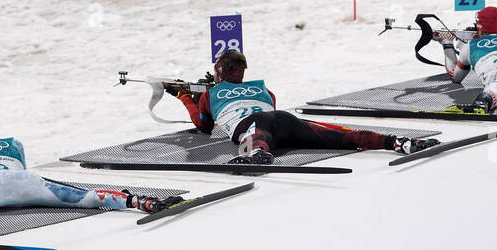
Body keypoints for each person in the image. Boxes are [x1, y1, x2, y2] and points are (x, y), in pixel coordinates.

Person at [168, 49, 439, 165]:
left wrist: (185, 98)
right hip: (282, 119)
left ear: (218, 71)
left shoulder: (211, 93)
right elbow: (267, 107)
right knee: (340, 138)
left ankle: (258, 155)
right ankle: (396, 143)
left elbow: (202, 125)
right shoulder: (265, 89)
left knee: (254, 138)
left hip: (258, 127)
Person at [0, 110, 174, 222]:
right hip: (30, 182)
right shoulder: (14, 142)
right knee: (88, 198)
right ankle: (141, 202)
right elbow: (17, 167)